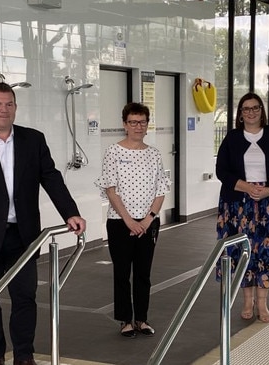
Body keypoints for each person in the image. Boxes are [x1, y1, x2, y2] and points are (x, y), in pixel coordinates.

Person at [0, 82, 86, 365]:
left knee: (25, 298)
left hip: (24, 236)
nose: (3, 109)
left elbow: (51, 177)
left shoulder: (32, 139)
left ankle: (24, 356)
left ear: (16, 107)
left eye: (9, 104)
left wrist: (70, 212)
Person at [214, 92, 269, 323]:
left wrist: (268, 190)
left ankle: (263, 303)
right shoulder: (232, 138)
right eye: (246, 109)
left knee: (266, 253)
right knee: (242, 252)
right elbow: (222, 171)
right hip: (238, 204)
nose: (251, 112)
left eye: (255, 108)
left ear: (262, 111)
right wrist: (247, 187)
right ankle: (246, 301)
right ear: (240, 114)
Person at [95, 102, 170, 338]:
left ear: (147, 125)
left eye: (142, 122)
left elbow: (161, 190)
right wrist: (128, 220)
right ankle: (125, 320)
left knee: (143, 273)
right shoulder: (114, 152)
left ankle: (141, 319)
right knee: (122, 272)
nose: (138, 126)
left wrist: (148, 220)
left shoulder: (154, 154)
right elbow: (110, 189)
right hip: (120, 222)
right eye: (133, 122)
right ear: (125, 125)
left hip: (148, 223)